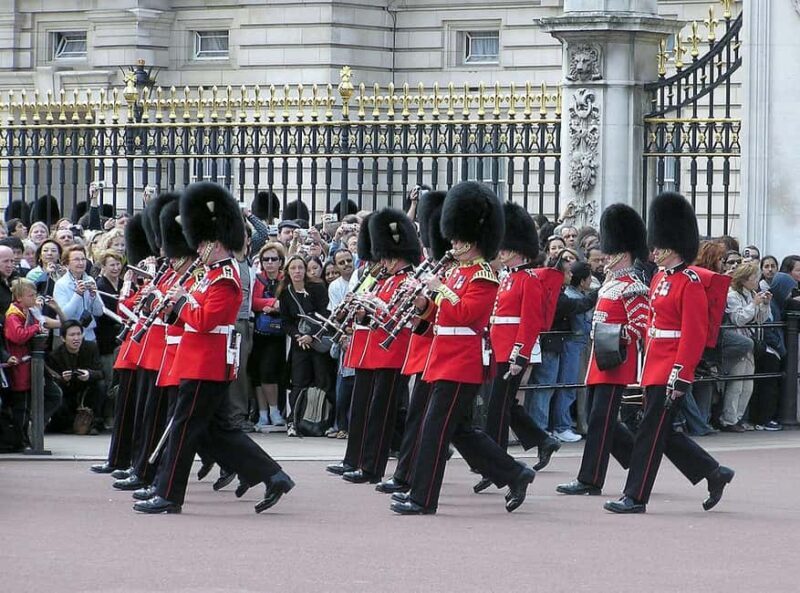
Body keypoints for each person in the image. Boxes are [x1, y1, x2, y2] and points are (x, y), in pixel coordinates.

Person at [134, 181, 294, 515]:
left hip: (207, 362)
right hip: (198, 360)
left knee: (183, 429)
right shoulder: (210, 274)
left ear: (216, 243)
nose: (199, 246)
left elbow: (206, 320)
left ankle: (168, 494)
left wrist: (179, 304)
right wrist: (170, 307)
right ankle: (273, 475)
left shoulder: (225, 277)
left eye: (203, 241)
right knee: (216, 430)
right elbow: (189, 317)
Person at [389, 181, 536, 516]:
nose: (452, 242)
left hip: (461, 361)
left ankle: (422, 499)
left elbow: (468, 317)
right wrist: (422, 304)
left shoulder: (483, 276)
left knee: (434, 430)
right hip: (442, 357)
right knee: (458, 431)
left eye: (458, 238)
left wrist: (439, 289)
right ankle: (515, 473)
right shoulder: (456, 272)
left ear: (474, 240)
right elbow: (439, 316)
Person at [604, 192, 734, 514]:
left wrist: (681, 374)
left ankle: (635, 496)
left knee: (650, 432)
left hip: (671, 368)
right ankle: (713, 472)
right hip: (654, 364)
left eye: (659, 245)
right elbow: (650, 323)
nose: (653, 251)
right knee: (662, 432)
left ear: (673, 245)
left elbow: (692, 334)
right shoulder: (661, 277)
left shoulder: (689, 282)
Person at [557, 204, 649, 496]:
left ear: (622, 253)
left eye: (609, 252)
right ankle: (639, 462)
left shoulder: (632, 286)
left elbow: (640, 326)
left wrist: (613, 334)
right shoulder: (610, 284)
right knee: (604, 420)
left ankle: (590, 478)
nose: (605, 257)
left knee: (599, 421)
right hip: (601, 358)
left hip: (616, 360)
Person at [472, 202, 561, 496]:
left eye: (507, 249)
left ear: (519, 250)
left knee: (497, 410)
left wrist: (519, 355)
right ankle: (543, 441)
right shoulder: (508, 277)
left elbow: (530, 322)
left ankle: (495, 465)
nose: (503, 253)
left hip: (512, 352)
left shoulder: (529, 280)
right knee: (504, 405)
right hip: (497, 348)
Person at [340, 208, 420, 484]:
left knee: (381, 414)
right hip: (372, 350)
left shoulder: (408, 281)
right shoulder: (383, 280)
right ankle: (357, 459)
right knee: (363, 408)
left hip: (391, 352)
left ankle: (372, 466)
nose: (382, 260)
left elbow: (399, 318)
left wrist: (371, 312)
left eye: (386, 255)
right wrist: (361, 311)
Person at [3, 278, 62, 446]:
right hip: (19, 365)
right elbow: (17, 336)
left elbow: (40, 323)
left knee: (33, 401)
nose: (35, 298)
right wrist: (36, 328)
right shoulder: (13, 314)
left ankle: (28, 433)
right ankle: (20, 438)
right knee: (20, 405)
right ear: (20, 297)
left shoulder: (28, 311)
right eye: (31, 295)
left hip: (28, 364)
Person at [278, 254, 331, 437]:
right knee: (298, 383)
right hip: (299, 344)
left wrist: (312, 335)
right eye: (293, 268)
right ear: (288, 271)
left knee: (322, 380)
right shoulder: (285, 293)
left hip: (317, 341)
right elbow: (286, 321)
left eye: (300, 267)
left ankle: (322, 421)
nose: (297, 271)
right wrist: (298, 336)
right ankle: (295, 420)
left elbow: (324, 314)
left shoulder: (317, 288)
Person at [720, 262, 770, 432]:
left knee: (748, 384)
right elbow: (738, 319)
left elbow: (760, 320)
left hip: (749, 341)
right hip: (738, 343)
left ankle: (738, 417)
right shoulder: (732, 295)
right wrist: (754, 304)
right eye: (754, 277)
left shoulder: (752, 293)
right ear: (744, 279)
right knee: (736, 383)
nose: (757, 280)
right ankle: (729, 419)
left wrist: (764, 304)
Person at [250, 242, 287, 431]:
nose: (270, 263)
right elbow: (254, 302)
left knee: (269, 372)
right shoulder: (258, 279)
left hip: (278, 334)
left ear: (281, 261)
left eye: (274, 259)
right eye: (266, 259)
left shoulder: (284, 279)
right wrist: (272, 302)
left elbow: (288, 303)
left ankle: (275, 411)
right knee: (257, 374)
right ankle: (263, 414)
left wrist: (274, 306)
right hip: (259, 332)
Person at [46, 320, 104, 434]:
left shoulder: (91, 347)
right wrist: (64, 380)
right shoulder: (55, 355)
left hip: (87, 387)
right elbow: (54, 380)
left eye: (79, 334)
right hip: (68, 390)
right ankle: (68, 424)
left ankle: (95, 423)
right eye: (72, 335)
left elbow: (101, 372)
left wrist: (89, 374)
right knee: (56, 393)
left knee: (100, 385)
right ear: (63, 338)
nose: (76, 338)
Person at [53, 246, 103, 342]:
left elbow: (99, 312)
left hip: (88, 335)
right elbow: (64, 316)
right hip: (68, 336)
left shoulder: (89, 280)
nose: (81, 263)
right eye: (76, 260)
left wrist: (93, 296)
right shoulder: (61, 284)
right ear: (67, 264)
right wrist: (78, 294)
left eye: (83, 259)